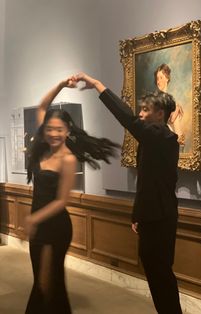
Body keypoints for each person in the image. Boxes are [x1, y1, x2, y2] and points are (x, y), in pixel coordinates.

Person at [76, 72, 182, 314]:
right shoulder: (154, 138)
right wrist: (137, 215)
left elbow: (125, 117)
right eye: (141, 110)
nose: (141, 114)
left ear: (160, 114)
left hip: (160, 218)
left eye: (146, 110)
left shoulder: (161, 136)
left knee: (160, 274)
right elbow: (147, 183)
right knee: (157, 272)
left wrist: (97, 85)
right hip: (153, 216)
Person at [24, 75, 119, 314]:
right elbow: (43, 106)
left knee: (48, 283)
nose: (54, 133)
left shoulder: (68, 159)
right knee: (43, 282)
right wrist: (59, 85)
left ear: (67, 131)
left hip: (55, 226)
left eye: (59, 129)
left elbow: (62, 201)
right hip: (38, 223)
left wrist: (34, 219)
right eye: (50, 129)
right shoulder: (43, 148)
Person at [154, 63, 185, 147]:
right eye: (157, 78)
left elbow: (171, 119)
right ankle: (179, 139)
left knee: (176, 112)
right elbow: (165, 119)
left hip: (167, 132)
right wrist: (177, 108)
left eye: (161, 78)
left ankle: (179, 139)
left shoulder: (169, 98)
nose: (158, 81)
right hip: (158, 133)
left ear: (167, 79)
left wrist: (177, 107)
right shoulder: (155, 98)